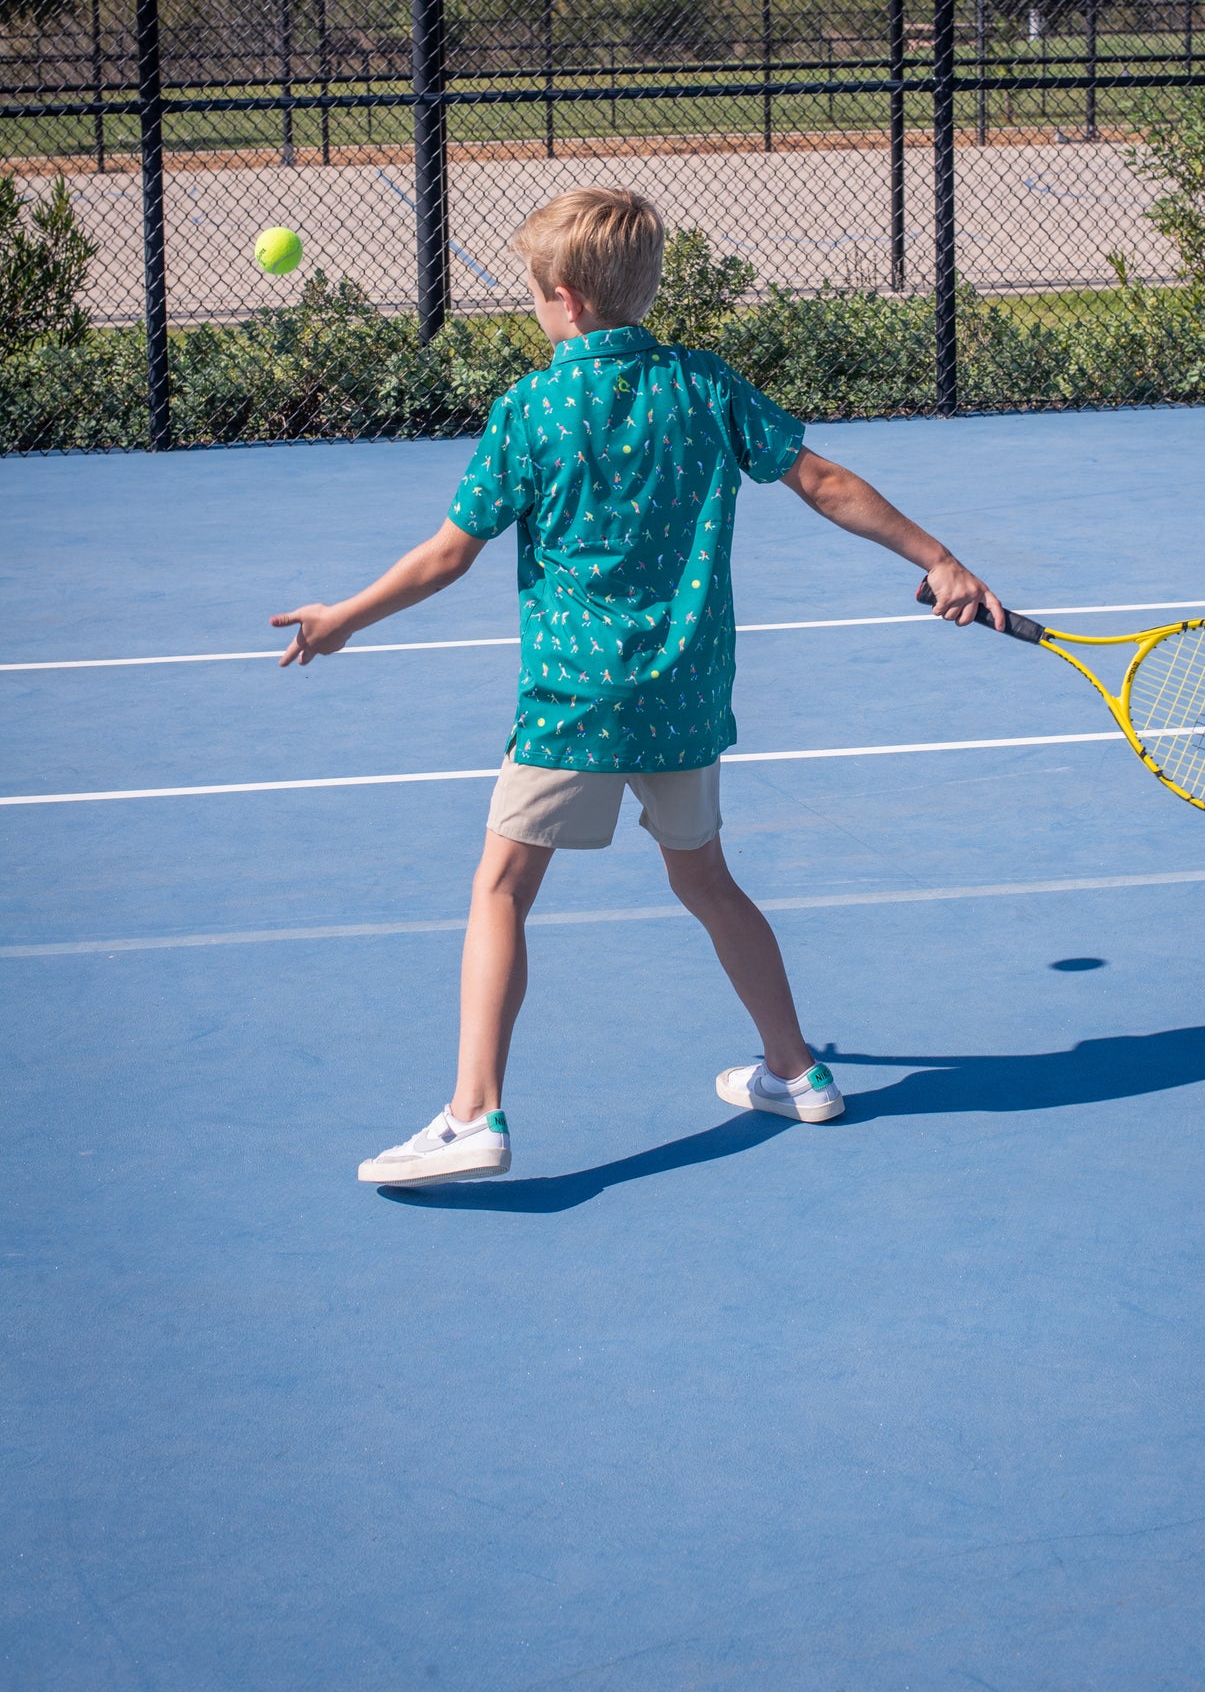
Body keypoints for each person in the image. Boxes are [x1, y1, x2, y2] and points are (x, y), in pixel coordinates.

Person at [271, 188, 1002, 1186]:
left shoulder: (530, 408)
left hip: (574, 702)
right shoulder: (703, 385)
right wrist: (939, 556)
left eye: (532, 294)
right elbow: (822, 479)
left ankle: (472, 1113)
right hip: (684, 699)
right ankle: (795, 1067)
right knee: (704, 878)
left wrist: (341, 618)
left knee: (498, 889)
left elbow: (449, 555)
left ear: (563, 298)